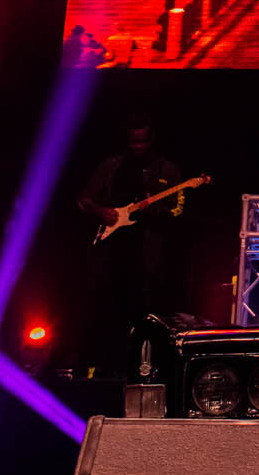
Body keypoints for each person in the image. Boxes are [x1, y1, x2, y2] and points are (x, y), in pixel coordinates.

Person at [76, 116, 188, 378]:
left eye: (143, 141)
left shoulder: (166, 171)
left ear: (152, 139)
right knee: (104, 312)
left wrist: (154, 210)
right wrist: (101, 211)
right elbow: (83, 199)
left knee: (146, 317)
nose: (138, 147)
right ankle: (100, 370)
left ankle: (145, 370)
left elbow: (179, 211)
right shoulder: (111, 166)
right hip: (110, 257)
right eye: (133, 141)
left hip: (148, 259)